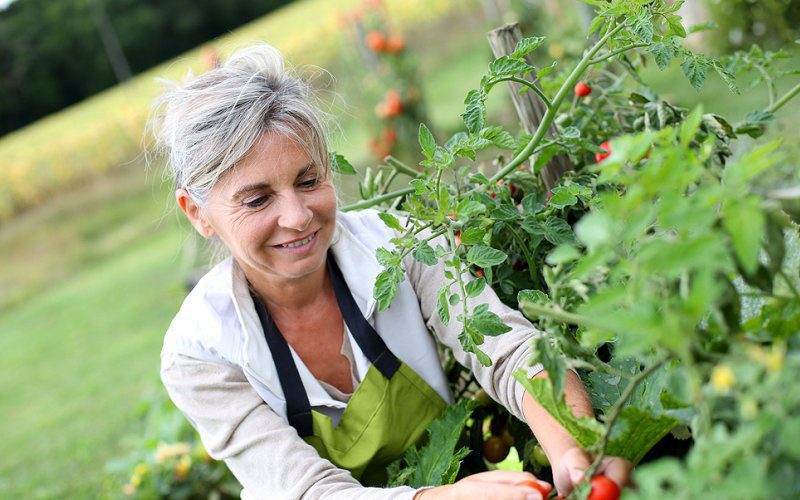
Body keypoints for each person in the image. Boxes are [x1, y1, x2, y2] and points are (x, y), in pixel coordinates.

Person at [154, 44, 632, 499]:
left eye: (309, 180)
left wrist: (572, 445)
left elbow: (509, 354)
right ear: (197, 213)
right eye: (257, 199)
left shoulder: (402, 245)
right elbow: (304, 492)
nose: (298, 216)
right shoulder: (201, 354)